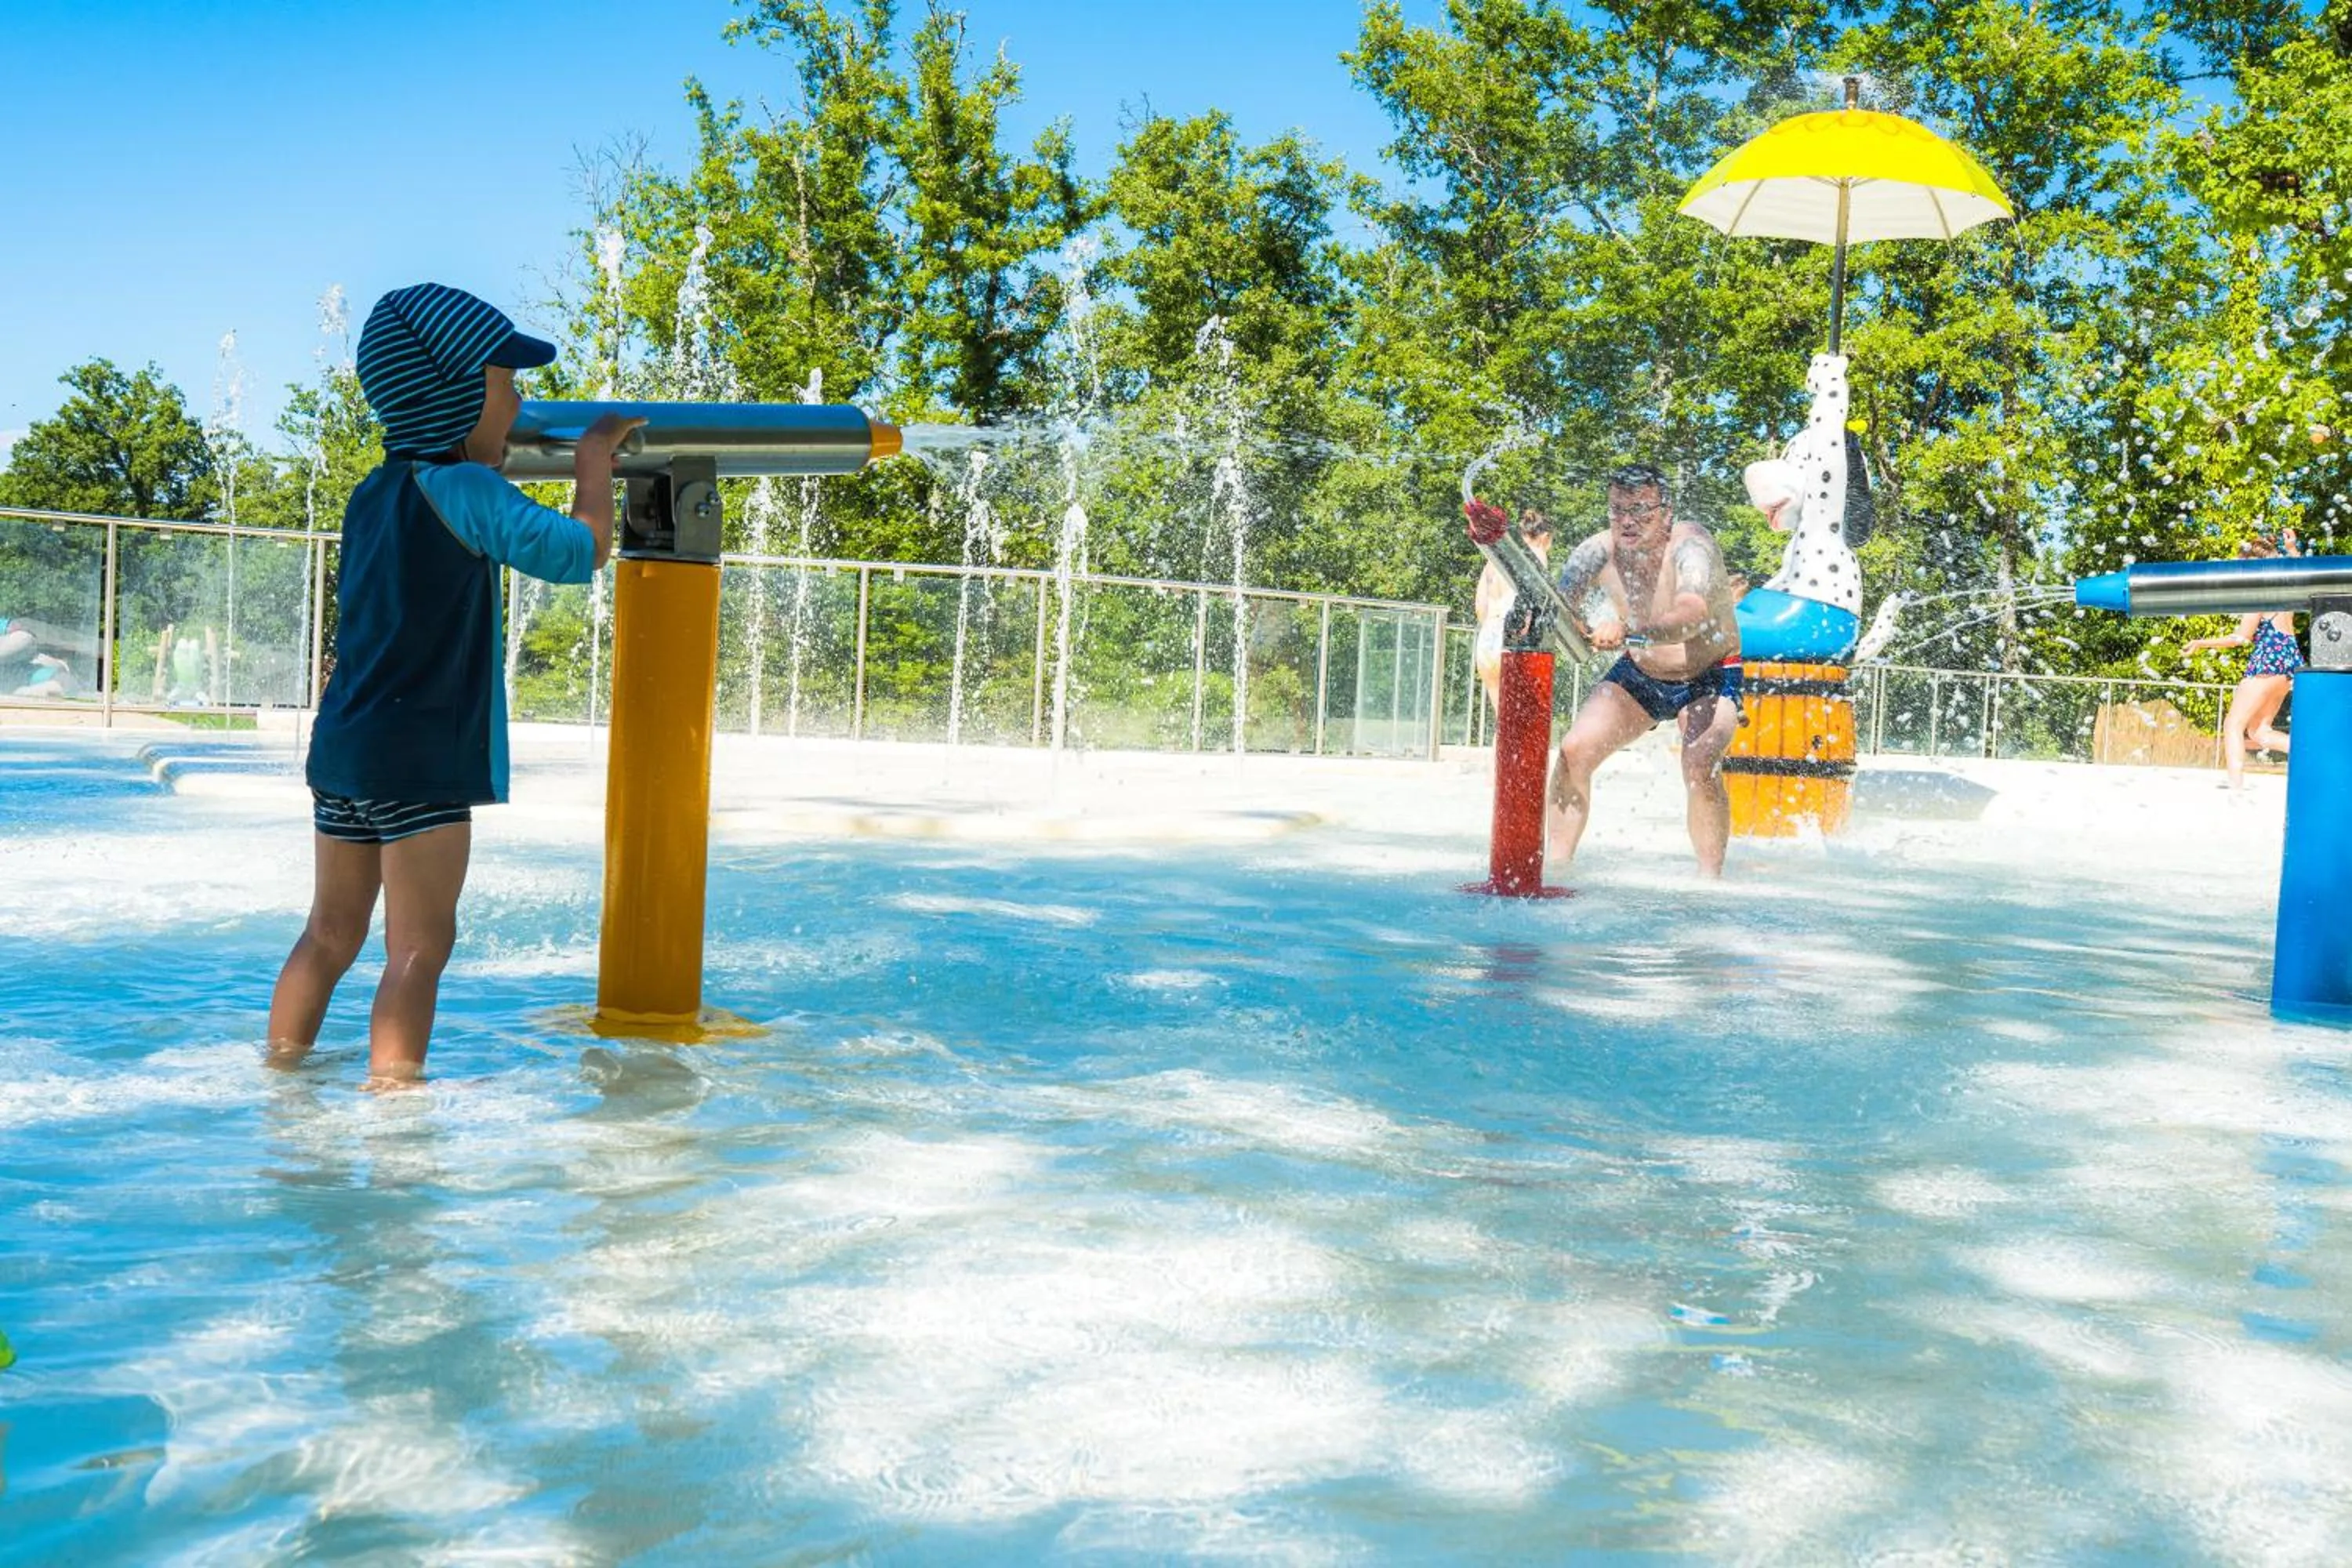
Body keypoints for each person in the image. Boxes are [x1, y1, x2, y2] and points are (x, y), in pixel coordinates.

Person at [267, 284, 644, 1087]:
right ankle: (394, 1091)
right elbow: (579, 553)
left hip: (345, 752)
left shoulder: (371, 497)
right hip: (421, 759)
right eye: (509, 384)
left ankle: (280, 1068)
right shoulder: (466, 490)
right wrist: (592, 458)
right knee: (418, 945)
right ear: (459, 390)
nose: (520, 403)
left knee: (329, 932)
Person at [1467, 463, 1744, 877]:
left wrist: (1632, 630)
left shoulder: (1691, 545)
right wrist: (1573, 624)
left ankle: (1710, 880)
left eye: (1640, 510)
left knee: (1700, 762)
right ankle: (1557, 868)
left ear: (1666, 513)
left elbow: (1693, 614)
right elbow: (1560, 606)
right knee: (1575, 750)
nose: (1627, 522)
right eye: (1617, 510)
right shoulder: (1597, 550)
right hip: (1641, 672)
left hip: (1710, 672)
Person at [2182, 534, 2304, 789]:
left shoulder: (2258, 594)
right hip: (2288, 667)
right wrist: (2292, 549)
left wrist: (2202, 643)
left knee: (2233, 724)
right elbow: (2302, 572)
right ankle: (2314, 754)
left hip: (2267, 665)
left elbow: (2241, 638)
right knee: (2259, 732)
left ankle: (2235, 786)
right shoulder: (2287, 590)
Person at [1472, 509, 1552, 708]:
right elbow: (1535, 603)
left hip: (1487, 639)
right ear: (1545, 537)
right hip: (1511, 639)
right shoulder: (1536, 554)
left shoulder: (1494, 560)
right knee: (1518, 722)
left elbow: (1480, 606)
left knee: (1502, 721)